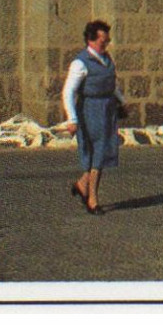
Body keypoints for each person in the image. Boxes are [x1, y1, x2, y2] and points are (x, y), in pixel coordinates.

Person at [62, 19, 123, 214]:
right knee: (97, 151)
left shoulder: (107, 59)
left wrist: (121, 101)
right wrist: (72, 119)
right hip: (90, 109)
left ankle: (82, 185)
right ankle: (92, 199)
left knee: (102, 149)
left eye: (107, 41)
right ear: (91, 40)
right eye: (102, 41)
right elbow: (68, 91)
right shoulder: (80, 63)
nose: (105, 44)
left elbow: (113, 84)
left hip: (107, 108)